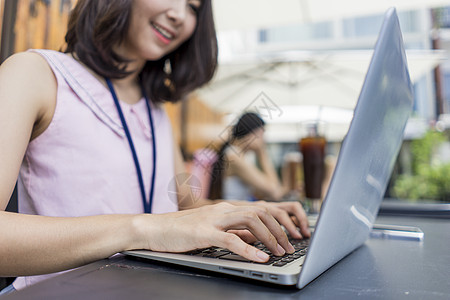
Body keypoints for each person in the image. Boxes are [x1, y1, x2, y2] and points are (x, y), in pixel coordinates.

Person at [0, 0, 310, 294]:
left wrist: (250, 213)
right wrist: (143, 229)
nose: (179, 15)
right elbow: (160, 222)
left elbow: (182, 206)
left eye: (193, 7)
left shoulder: (156, 111)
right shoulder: (35, 74)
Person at [208, 112, 286, 201]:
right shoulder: (234, 157)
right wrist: (262, 153)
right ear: (251, 133)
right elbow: (274, 192)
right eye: (262, 135)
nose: (264, 141)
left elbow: (266, 191)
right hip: (234, 212)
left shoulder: (240, 155)